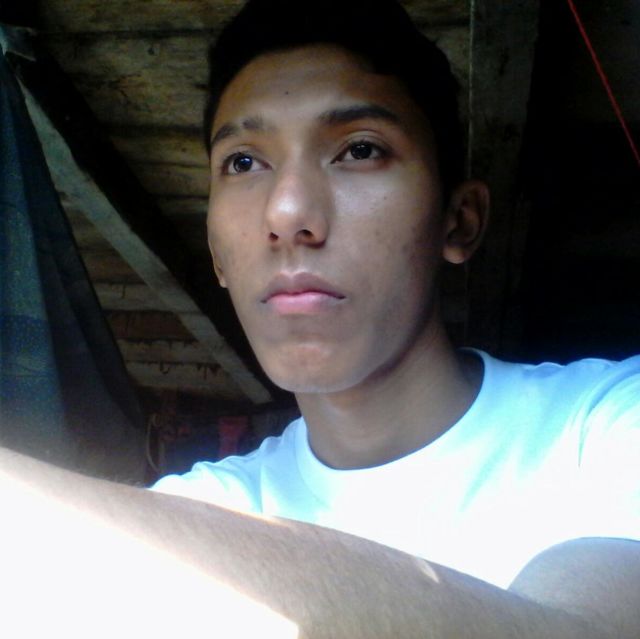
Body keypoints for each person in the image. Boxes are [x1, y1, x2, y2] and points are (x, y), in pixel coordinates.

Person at [1, 0, 638, 636]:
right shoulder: (215, 502)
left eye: (360, 150)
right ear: (218, 252)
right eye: (243, 162)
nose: (285, 213)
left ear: (458, 221)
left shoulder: (606, 427)